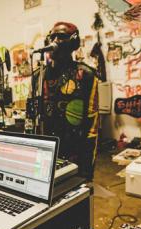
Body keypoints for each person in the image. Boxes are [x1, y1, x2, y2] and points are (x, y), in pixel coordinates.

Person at [38, 22, 99, 180]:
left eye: (62, 36)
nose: (56, 41)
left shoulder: (86, 75)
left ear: (73, 42)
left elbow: (93, 124)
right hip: (48, 150)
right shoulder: (39, 76)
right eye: (53, 37)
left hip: (75, 149)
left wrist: (87, 168)